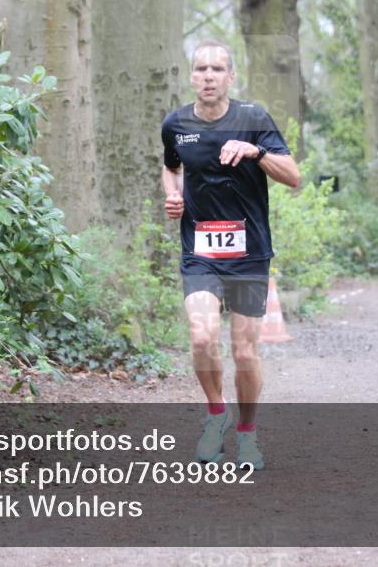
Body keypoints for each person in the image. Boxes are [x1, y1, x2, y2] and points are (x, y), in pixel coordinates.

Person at [160, 40, 300, 470]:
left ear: (230, 77)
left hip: (249, 252)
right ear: (191, 76)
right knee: (202, 336)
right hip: (200, 249)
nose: (207, 76)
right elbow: (171, 164)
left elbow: (293, 176)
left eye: (216, 69)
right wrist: (173, 195)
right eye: (200, 69)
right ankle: (216, 417)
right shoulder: (176, 123)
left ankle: (248, 435)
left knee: (243, 352)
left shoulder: (253, 119)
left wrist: (256, 152)